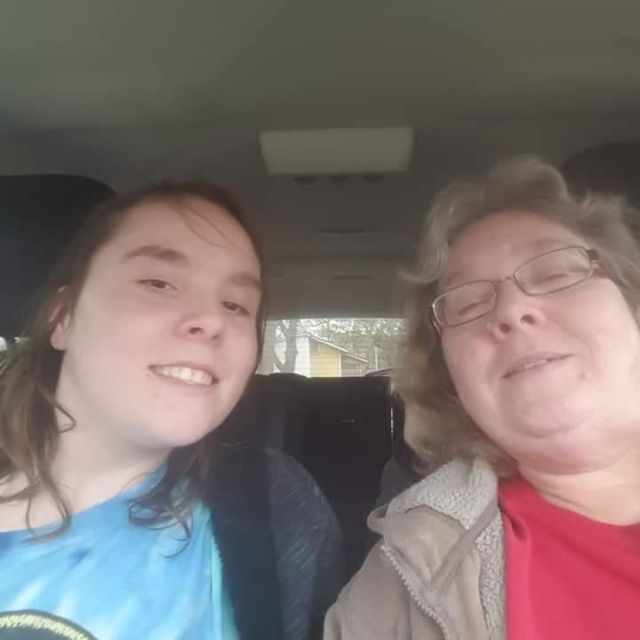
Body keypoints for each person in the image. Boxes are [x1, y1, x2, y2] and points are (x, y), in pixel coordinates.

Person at [0, 182, 342, 640]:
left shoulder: (276, 507)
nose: (213, 320)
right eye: (158, 284)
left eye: (236, 305)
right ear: (63, 316)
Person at [324, 156, 640, 639]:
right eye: (469, 303)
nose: (512, 310)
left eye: (556, 273)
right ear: (451, 380)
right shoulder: (410, 575)